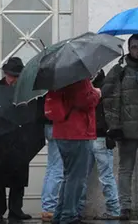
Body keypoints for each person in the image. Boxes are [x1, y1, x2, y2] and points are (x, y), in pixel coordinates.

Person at [0, 58, 43, 222]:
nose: (13, 79)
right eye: (10, 75)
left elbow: (34, 116)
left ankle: (16, 210)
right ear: (5, 73)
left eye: (16, 76)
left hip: (19, 139)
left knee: (19, 177)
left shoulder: (27, 93)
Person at [102, 33, 138, 220]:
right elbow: (109, 99)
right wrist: (113, 126)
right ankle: (124, 206)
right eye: (134, 47)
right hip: (126, 129)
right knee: (126, 169)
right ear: (129, 48)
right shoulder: (119, 70)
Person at [44, 77, 101, 224]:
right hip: (77, 132)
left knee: (69, 176)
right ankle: (69, 215)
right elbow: (85, 101)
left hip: (62, 131)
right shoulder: (79, 78)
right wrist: (97, 93)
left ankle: (60, 214)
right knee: (77, 177)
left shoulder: (58, 79)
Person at [78, 70, 120, 220]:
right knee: (103, 176)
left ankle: (80, 209)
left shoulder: (93, 88)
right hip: (97, 136)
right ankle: (113, 209)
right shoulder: (103, 86)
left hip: (95, 135)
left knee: (86, 176)